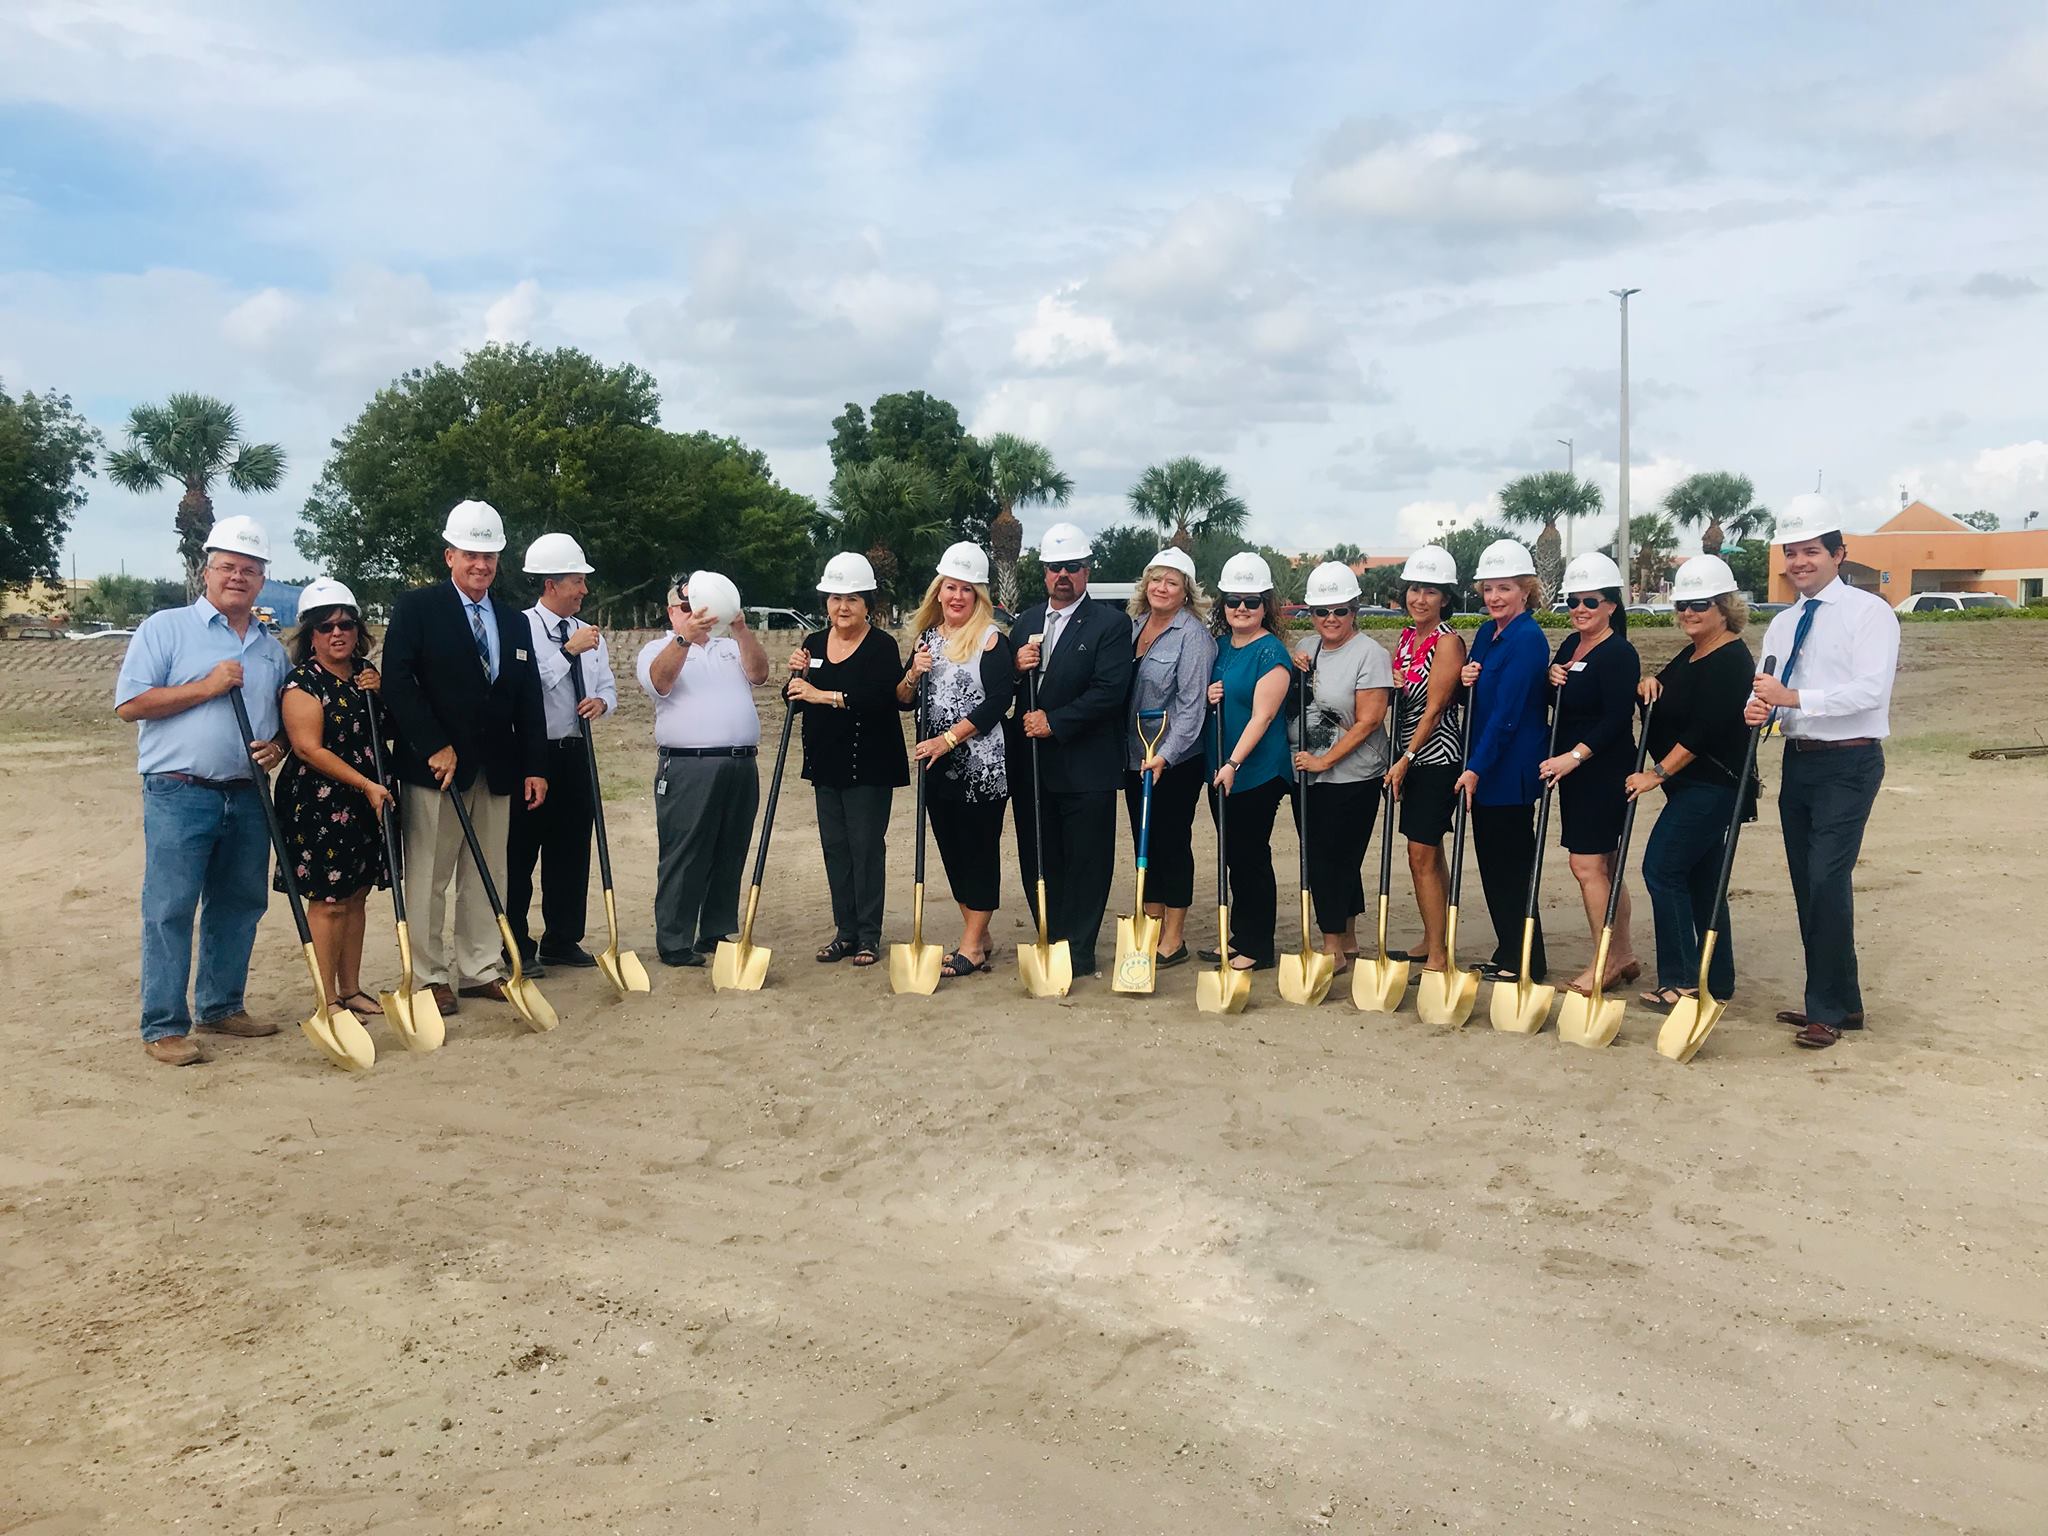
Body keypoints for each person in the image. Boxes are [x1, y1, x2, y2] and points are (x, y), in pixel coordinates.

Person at [114, 515, 291, 1065]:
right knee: (170, 907)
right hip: (179, 791)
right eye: (228, 567)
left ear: (262, 580)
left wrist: (279, 746)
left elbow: (283, 716)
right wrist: (207, 688)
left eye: (250, 569)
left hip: (247, 792)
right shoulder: (164, 629)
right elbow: (130, 705)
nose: (238, 577)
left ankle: (221, 1005)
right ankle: (164, 1025)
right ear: (206, 572)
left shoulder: (270, 649)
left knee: (239, 902)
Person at [380, 499, 550, 1016]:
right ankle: (429, 976)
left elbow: (528, 697)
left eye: (490, 556)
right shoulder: (417, 608)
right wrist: (433, 744)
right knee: (430, 875)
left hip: (496, 769)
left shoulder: (511, 621)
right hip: (435, 770)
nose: (481, 565)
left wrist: (536, 764)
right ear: (450, 555)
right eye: (471, 554)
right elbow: (398, 683)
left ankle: (480, 968)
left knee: (487, 872)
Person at [1744, 494, 1901, 1050]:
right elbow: (1771, 690)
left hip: (1850, 762)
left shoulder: (1869, 613)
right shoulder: (1783, 623)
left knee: (1826, 880)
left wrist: (1794, 697)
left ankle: (1826, 1008)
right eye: (1791, 553)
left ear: (1838, 554)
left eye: (1811, 551)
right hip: (1800, 760)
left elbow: (1868, 691)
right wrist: (1763, 707)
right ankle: (1842, 1001)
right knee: (1808, 884)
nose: (1799, 562)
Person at [1008, 522, 1136, 979]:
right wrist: (1015, 664)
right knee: (1039, 856)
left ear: (1087, 571)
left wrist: (1055, 722)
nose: (1064, 575)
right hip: (1033, 768)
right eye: (1055, 567)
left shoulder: (1112, 624)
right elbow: (1005, 685)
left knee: (1086, 860)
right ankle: (1050, 934)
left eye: (1073, 567)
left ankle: (1078, 950)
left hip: (1086, 766)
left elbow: (1109, 691)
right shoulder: (1024, 622)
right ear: (1043, 572)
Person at [1629, 555, 1755, 1010]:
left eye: (1699, 604)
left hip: (1712, 787)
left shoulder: (1731, 659)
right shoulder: (1693, 652)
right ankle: (1716, 980)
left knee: (1661, 869)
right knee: (1701, 881)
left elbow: (1703, 732)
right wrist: (1647, 683)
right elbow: (1661, 690)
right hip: (1692, 788)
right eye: (1682, 604)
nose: (1688, 612)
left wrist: (1656, 773)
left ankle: (1680, 981)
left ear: (1724, 606)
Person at [271, 577, 394, 1018]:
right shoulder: (303, 684)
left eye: (345, 624)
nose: (337, 633)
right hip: (320, 804)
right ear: (310, 636)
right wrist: (364, 784)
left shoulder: (367, 677)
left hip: (367, 800)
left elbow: (390, 729)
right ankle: (328, 998)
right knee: (328, 900)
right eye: (325, 627)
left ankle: (352, 988)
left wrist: (382, 691)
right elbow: (308, 748)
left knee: (356, 895)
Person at [635, 570, 770, 967]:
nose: (695, 615)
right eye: (686, 608)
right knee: (685, 851)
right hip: (688, 765)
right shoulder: (657, 648)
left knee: (730, 848)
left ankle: (714, 930)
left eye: (700, 608)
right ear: (671, 612)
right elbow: (659, 682)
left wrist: (742, 629)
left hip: (740, 762)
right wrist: (684, 639)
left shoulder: (729, 648)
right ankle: (674, 938)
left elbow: (759, 674)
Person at [900, 543, 1016, 978]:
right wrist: (914, 672)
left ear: (978, 596)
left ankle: (972, 945)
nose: (957, 597)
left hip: (980, 767)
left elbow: (1000, 702)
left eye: (967, 590)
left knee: (978, 850)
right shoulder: (927, 640)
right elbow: (903, 700)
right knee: (950, 850)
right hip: (936, 766)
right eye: (951, 588)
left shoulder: (990, 639)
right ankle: (978, 933)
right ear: (938, 591)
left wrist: (948, 739)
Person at [788, 552, 907, 967]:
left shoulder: (881, 646)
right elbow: (795, 699)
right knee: (835, 848)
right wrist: (796, 676)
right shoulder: (813, 643)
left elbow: (879, 699)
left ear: (867, 605)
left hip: (869, 765)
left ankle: (869, 935)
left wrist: (823, 696)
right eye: (835, 598)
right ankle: (845, 931)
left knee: (865, 848)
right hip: (826, 763)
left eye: (852, 599)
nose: (842, 607)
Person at [507, 532, 617, 974]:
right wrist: (567, 654)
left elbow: (607, 684)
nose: (584, 591)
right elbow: (527, 689)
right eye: (577, 581)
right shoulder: (520, 628)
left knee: (572, 849)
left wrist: (602, 702)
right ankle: (515, 944)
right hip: (531, 754)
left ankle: (563, 938)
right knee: (520, 853)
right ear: (551, 584)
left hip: (576, 752)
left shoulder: (590, 635)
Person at [1537, 551, 1642, 995]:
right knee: (1607, 864)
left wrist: (1572, 758)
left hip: (1601, 768)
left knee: (1587, 865)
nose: (1580, 609)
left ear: (1612, 606)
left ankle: (1604, 962)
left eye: (1591, 601)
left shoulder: (1618, 652)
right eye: (1573, 601)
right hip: (1578, 770)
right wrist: (1551, 673)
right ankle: (1623, 953)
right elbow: (1557, 696)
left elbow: (1616, 718)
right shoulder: (1570, 645)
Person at [1289, 561, 1394, 972]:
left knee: (1331, 859)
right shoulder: (1307, 648)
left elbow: (1369, 720)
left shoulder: (1370, 654)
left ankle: (1331, 945)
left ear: (1355, 610)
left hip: (1351, 775)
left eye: (1340, 611)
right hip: (1308, 773)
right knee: (1329, 856)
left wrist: (1323, 760)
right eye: (1321, 611)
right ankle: (1347, 939)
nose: (1330, 619)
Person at [1456, 539, 1551, 983]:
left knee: (1511, 867)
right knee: (1493, 866)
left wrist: (1475, 768)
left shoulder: (1527, 639)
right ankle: (1510, 949)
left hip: (1507, 771)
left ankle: (1526, 957)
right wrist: (1465, 676)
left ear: (1525, 590)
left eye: (1505, 588)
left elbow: (1508, 716)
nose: (1495, 597)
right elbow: (1473, 692)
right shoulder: (1485, 633)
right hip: (1484, 765)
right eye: (1489, 588)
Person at [1200, 551, 1294, 971]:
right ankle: (1239, 936)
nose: (1241, 608)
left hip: (1254, 771)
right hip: (1220, 768)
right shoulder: (1219, 647)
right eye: (1234, 600)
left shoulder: (1270, 652)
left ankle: (1258, 945)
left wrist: (1233, 764)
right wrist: (1208, 696)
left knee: (1252, 855)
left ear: (1265, 606)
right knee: (1234, 854)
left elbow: (1264, 715)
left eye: (1251, 601)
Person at [1124, 547, 1217, 969]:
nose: (1162, 588)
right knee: (1145, 840)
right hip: (1133, 754)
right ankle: (1153, 921)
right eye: (1156, 579)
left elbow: (1192, 705)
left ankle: (1174, 937)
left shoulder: (1193, 636)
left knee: (1170, 842)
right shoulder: (1133, 626)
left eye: (1172, 582)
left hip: (1174, 760)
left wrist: (1166, 755)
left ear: (1186, 592)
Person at [1383, 546, 1467, 972]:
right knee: (1427, 854)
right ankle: (1434, 937)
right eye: (1415, 588)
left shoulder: (1448, 642)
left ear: (1445, 598)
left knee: (1421, 852)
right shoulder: (1405, 638)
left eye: (1430, 591)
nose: (1419, 598)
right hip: (1409, 756)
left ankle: (1438, 955)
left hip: (1435, 757)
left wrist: (1407, 758)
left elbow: (1435, 708)